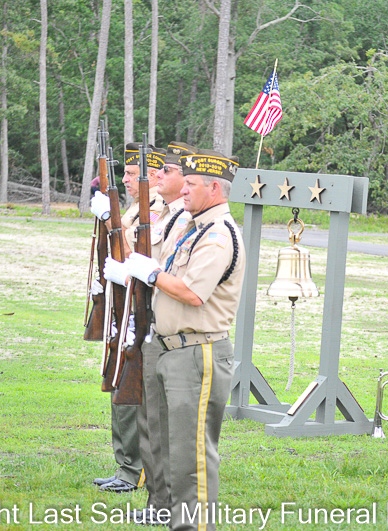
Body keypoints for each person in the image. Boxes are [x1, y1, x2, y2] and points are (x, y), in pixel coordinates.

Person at [104, 148, 245, 530]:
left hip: (197, 350)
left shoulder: (218, 235)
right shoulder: (192, 228)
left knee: (190, 455)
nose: (183, 189)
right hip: (171, 347)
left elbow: (193, 293)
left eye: (191, 184)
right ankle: (168, 514)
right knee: (165, 444)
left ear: (214, 189)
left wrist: (151, 274)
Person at [89, 142, 163, 493]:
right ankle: (125, 466)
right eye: (126, 173)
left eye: (133, 174)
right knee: (119, 384)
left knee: (131, 391)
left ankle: (135, 469)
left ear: (155, 176)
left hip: (141, 309)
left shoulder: (157, 210)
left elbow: (140, 255)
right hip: (125, 305)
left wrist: (110, 219)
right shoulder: (135, 208)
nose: (126, 180)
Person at [132, 141, 196, 525]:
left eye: (168, 171)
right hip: (153, 325)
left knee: (167, 428)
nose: (158, 175)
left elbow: (172, 275)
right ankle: (157, 501)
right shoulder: (166, 215)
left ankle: (168, 504)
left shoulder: (189, 221)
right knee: (150, 424)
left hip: (175, 332)